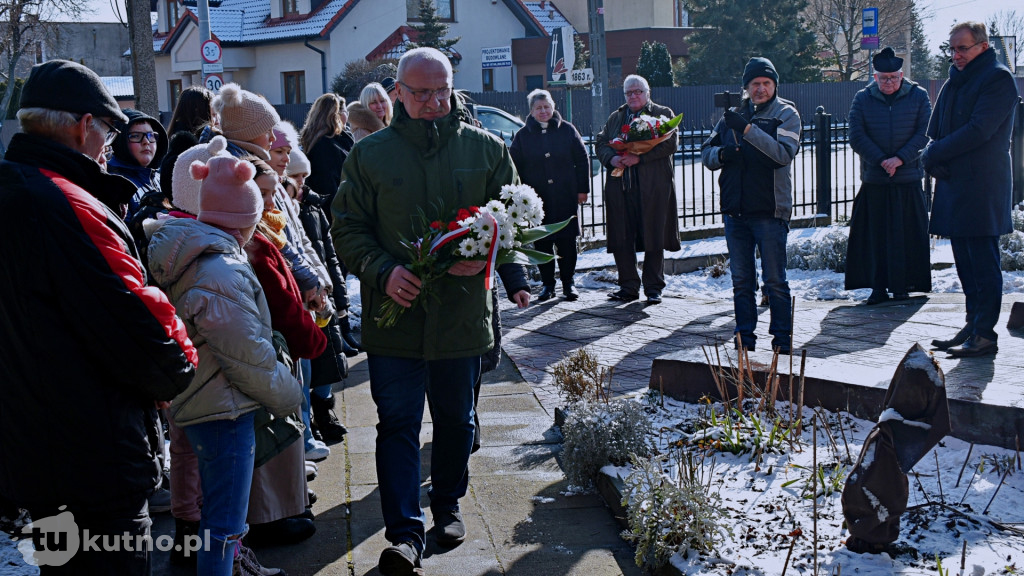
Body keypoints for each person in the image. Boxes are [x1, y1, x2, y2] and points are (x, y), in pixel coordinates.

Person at [0, 59, 197, 574]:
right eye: (110, 130)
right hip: (96, 457)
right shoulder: (67, 203)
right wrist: (179, 363)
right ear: (86, 125)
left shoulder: (12, 190)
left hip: (33, 451)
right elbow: (142, 324)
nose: (110, 144)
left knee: (58, 564)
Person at [331, 47, 518, 576]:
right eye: (421, 93)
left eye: (442, 91)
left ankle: (449, 505)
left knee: (457, 421)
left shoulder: (487, 149)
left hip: (461, 318)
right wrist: (383, 271)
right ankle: (404, 534)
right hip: (396, 319)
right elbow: (345, 228)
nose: (434, 102)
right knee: (397, 424)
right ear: (398, 94)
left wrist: (493, 256)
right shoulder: (370, 156)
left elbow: (514, 222)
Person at [148, 153, 299, 575]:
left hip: (202, 400)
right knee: (225, 523)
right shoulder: (221, 270)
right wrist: (289, 394)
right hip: (223, 409)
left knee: (220, 518)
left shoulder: (195, 253)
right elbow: (247, 355)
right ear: (243, 220)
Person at [924, 22, 1019, 358]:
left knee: (982, 260)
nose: (956, 55)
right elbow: (937, 129)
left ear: (982, 46)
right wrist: (932, 156)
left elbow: (979, 130)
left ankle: (984, 333)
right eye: (952, 48)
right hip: (955, 181)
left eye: (962, 48)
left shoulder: (997, 77)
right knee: (964, 259)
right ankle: (971, 323)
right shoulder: (957, 78)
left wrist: (935, 153)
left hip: (982, 184)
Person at [700, 57, 801, 354]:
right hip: (736, 211)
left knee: (775, 281)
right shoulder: (733, 114)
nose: (760, 89)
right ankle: (744, 338)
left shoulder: (786, 114)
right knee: (742, 282)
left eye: (766, 83)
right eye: (754, 84)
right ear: (746, 87)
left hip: (770, 212)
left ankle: (782, 342)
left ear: (775, 85)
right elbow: (706, 151)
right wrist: (722, 154)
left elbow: (783, 154)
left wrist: (747, 131)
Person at [845, 47, 932, 305]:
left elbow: (924, 132)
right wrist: (882, 160)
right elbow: (856, 136)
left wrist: (901, 159)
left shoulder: (918, 96)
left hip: (907, 179)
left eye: (893, 77)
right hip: (876, 179)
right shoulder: (862, 99)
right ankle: (878, 287)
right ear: (875, 77)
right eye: (883, 78)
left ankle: (904, 286)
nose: (889, 82)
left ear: (902, 75)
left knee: (906, 236)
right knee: (876, 238)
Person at [595, 74, 681, 304]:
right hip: (620, 187)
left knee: (654, 234)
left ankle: (653, 287)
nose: (633, 96)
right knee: (622, 237)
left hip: (653, 187)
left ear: (647, 92)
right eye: (629, 93)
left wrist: (639, 159)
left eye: (637, 91)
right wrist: (612, 159)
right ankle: (628, 286)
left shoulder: (663, 114)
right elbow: (601, 143)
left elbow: (670, 144)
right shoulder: (617, 116)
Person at [510, 89, 589, 302]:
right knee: (542, 242)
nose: (543, 111)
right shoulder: (522, 136)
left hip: (565, 195)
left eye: (546, 106)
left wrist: (582, 190)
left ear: (553, 107)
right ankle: (547, 285)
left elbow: (582, 160)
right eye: (538, 108)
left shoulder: (568, 130)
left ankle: (568, 283)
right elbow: (514, 167)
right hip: (537, 200)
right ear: (531, 111)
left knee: (566, 242)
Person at [298, 93, 361, 353]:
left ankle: (341, 334)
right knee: (334, 275)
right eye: (343, 110)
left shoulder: (327, 142)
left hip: (329, 216)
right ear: (334, 113)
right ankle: (339, 335)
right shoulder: (327, 145)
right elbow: (332, 186)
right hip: (332, 218)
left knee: (336, 274)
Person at [107, 108, 168, 222]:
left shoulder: (159, 178)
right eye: (135, 136)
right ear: (120, 140)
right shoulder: (113, 182)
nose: (146, 142)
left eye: (151, 135)